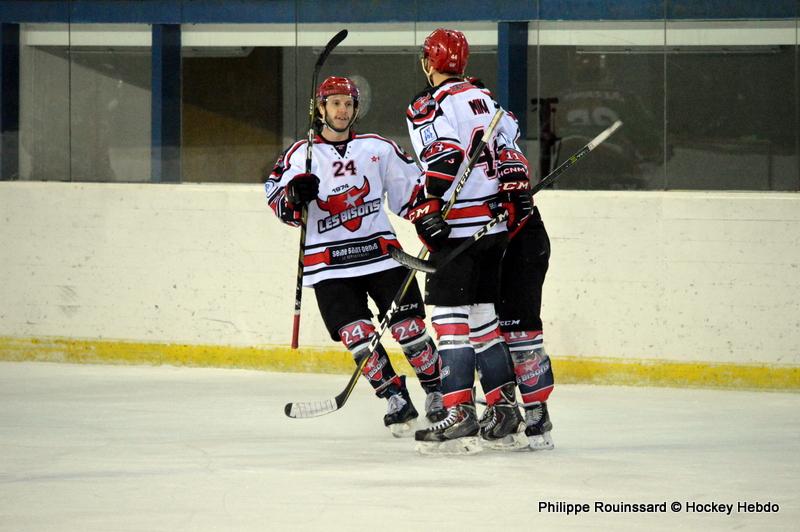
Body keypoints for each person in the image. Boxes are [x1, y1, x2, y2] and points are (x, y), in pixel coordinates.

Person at [265, 76, 446, 435]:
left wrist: (430, 213)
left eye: (348, 104)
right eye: (335, 103)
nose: (342, 110)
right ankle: (395, 397)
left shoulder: (377, 148)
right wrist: (294, 197)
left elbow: (412, 193)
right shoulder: (301, 154)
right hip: (328, 265)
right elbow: (277, 198)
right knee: (358, 337)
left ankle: (438, 392)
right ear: (320, 108)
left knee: (409, 328)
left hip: (383, 256)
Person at [405, 29, 535, 452]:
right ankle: (503, 410)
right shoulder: (487, 100)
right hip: (493, 228)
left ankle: (459, 411)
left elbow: (444, 156)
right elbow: (512, 154)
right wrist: (513, 195)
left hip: (458, 230)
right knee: (483, 321)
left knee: (450, 322)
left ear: (429, 62)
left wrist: (429, 202)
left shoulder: (430, 104)